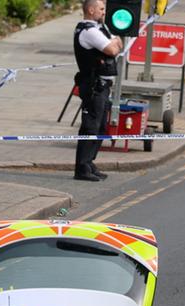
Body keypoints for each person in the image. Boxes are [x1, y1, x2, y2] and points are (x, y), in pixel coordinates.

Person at [73, 0, 128, 182]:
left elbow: (118, 43)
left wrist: (114, 43)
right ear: (91, 10)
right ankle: (82, 168)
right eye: (102, 9)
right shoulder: (89, 31)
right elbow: (113, 49)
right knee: (90, 127)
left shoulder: (99, 29)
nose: (105, 12)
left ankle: (89, 163)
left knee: (101, 127)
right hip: (94, 86)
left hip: (103, 86)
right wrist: (113, 45)